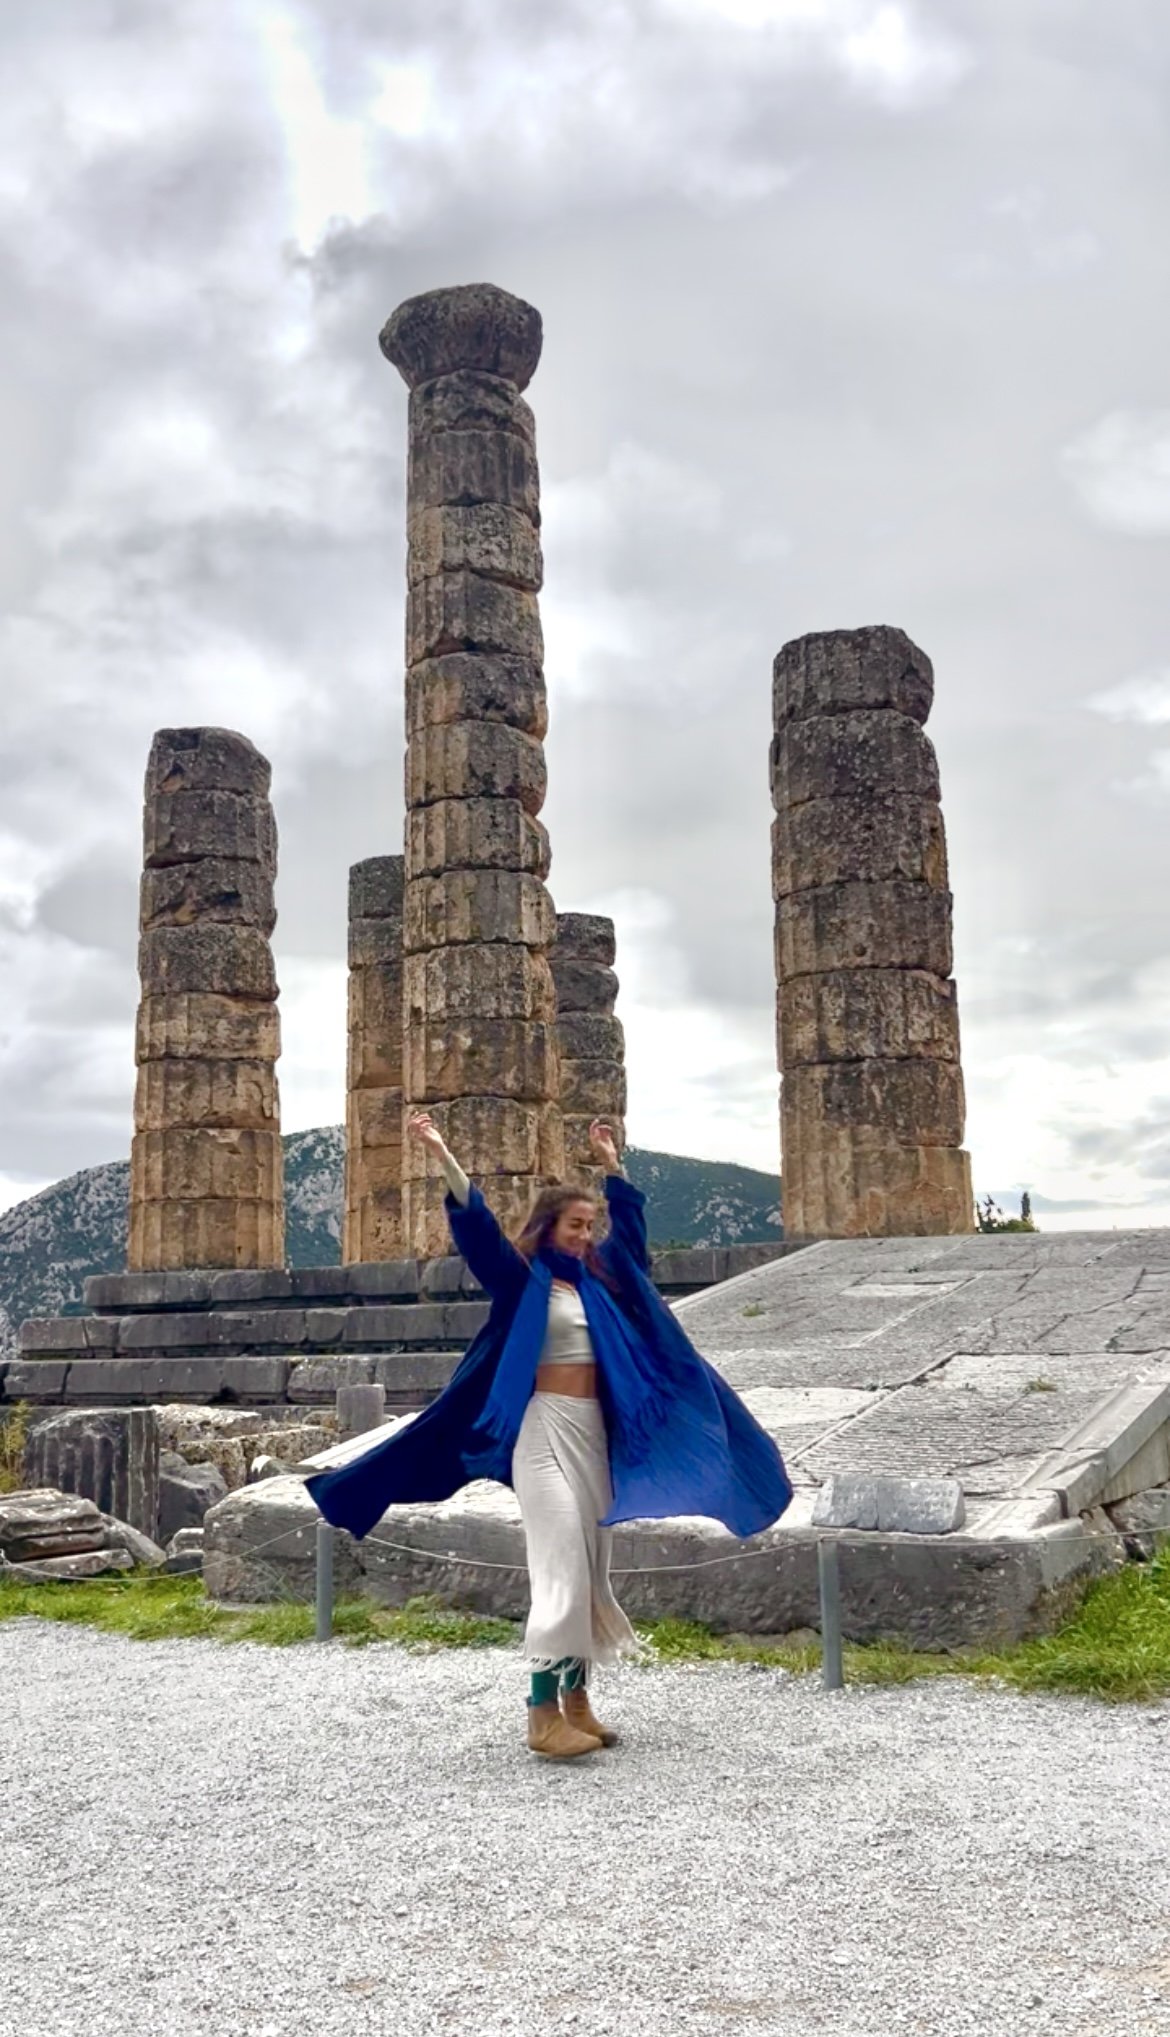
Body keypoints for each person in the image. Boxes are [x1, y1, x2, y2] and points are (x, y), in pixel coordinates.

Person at [306, 1114, 793, 1762]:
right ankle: (541, 1713)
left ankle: (578, 1702)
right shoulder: (521, 1282)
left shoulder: (603, 1283)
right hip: (542, 1432)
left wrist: (612, 1164)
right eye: (575, 1225)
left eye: (590, 1226)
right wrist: (443, 1150)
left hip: (594, 1436)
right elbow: (477, 1227)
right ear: (548, 1228)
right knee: (560, 1562)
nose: (585, 1234)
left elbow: (634, 1240)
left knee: (592, 1568)